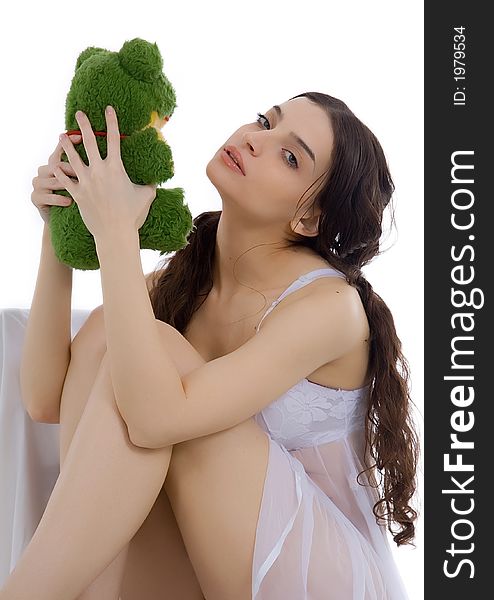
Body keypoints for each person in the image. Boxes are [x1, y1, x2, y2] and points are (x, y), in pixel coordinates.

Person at [1, 93, 419, 599]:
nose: (255, 139)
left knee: (151, 352)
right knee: (118, 333)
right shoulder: (188, 281)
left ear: (309, 219)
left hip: (314, 575)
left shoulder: (330, 307)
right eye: (265, 121)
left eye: (290, 157)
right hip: (214, 564)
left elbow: (157, 417)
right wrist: (60, 228)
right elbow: (47, 399)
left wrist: (116, 233)